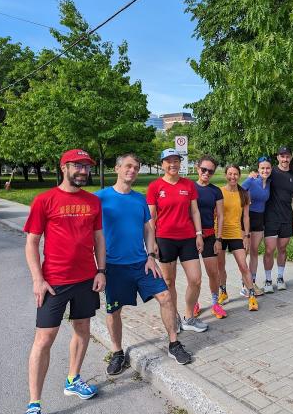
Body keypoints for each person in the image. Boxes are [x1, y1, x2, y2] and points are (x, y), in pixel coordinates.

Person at [23, 149, 106, 414]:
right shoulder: (44, 200)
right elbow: (32, 243)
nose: (84, 171)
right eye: (78, 166)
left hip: (86, 279)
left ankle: (73, 380)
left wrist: (100, 270)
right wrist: (38, 279)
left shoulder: (93, 202)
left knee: (82, 329)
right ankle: (34, 403)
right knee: (44, 339)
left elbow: (98, 239)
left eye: (87, 167)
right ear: (64, 167)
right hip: (54, 282)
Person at [95, 153, 192, 375]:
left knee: (166, 297)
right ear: (117, 168)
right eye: (128, 166)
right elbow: (90, 232)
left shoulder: (139, 199)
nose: (132, 170)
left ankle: (174, 343)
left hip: (142, 263)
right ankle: (117, 352)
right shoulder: (100, 198)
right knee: (114, 310)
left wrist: (150, 255)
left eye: (136, 168)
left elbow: (149, 228)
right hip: (114, 266)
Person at [146, 148, 207, 333]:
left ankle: (189, 316)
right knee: (169, 281)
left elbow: (194, 211)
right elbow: (151, 217)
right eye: (169, 161)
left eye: (176, 161)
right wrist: (153, 242)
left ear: (180, 163)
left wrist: (198, 234)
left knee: (196, 280)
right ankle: (174, 317)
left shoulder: (188, 185)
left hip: (188, 237)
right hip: (165, 239)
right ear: (162, 164)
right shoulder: (155, 187)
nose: (173, 164)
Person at [216, 164, 259, 311]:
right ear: (225, 175)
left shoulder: (244, 193)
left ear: (239, 175)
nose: (232, 176)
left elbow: (246, 216)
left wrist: (247, 235)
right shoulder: (219, 192)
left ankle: (251, 294)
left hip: (236, 233)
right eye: (230, 174)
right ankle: (223, 292)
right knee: (220, 266)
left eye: (235, 174)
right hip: (220, 233)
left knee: (243, 265)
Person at [192, 155, 227, 319]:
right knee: (194, 277)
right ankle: (193, 303)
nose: (206, 173)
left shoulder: (215, 190)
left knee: (213, 273)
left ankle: (215, 303)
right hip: (190, 237)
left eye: (210, 171)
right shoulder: (189, 187)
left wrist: (219, 239)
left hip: (209, 236)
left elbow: (220, 215)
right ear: (197, 168)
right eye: (203, 169)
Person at [263, 146, 293, 293]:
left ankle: (280, 278)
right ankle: (267, 280)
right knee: (269, 250)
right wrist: (254, 174)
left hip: (286, 218)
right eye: (282, 156)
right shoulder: (270, 172)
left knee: (282, 249)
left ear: (290, 157)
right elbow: (259, 176)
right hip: (271, 218)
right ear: (277, 157)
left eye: (287, 156)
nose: (285, 159)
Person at [241, 156, 271, 296]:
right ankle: (244, 286)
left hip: (260, 219)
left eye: (267, 168)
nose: (265, 170)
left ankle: (251, 282)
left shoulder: (269, 183)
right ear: (258, 170)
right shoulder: (251, 181)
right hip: (247, 218)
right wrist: (246, 200)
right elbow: (238, 191)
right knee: (244, 252)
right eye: (262, 168)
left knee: (254, 251)